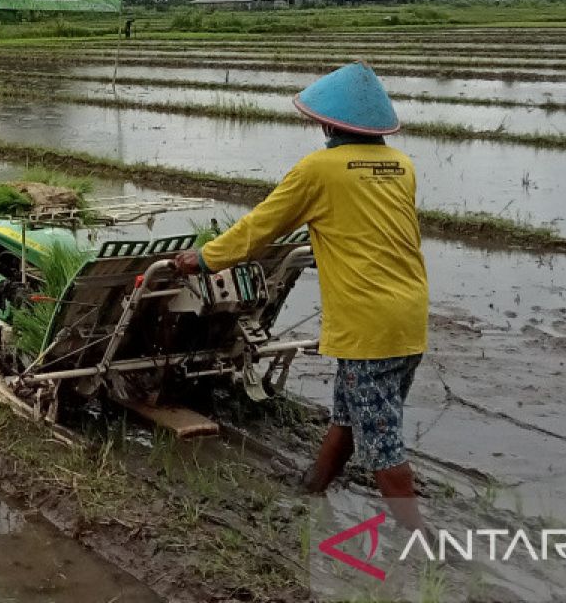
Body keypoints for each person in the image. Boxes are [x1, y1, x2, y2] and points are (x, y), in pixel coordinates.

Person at [173, 62, 429, 530]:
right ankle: (313, 488)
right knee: (351, 417)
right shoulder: (402, 166)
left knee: (383, 442)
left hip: (367, 324)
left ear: (331, 122)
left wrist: (204, 259)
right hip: (408, 317)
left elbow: (259, 229)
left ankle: (423, 547)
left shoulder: (320, 169)